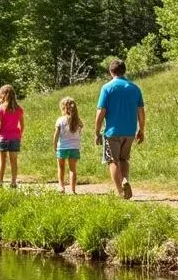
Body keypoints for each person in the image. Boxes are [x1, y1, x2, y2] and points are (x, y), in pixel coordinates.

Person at [94, 59, 145, 199]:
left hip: (112, 131)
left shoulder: (107, 88)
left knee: (112, 160)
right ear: (124, 71)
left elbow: (101, 111)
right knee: (124, 159)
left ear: (111, 71)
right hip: (129, 131)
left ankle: (121, 192)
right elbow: (141, 111)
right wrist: (141, 130)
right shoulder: (134, 88)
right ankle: (125, 179)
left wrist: (97, 131)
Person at [0, 85, 24, 188]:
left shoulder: (0, 109)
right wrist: (20, 134)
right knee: (13, 161)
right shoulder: (19, 109)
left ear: (2, 95)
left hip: (3, 138)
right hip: (15, 138)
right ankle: (13, 182)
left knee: (2, 161)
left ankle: (0, 182)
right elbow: (22, 124)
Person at [53, 96, 83, 194]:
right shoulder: (77, 121)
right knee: (72, 169)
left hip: (62, 147)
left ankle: (61, 187)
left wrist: (55, 145)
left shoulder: (60, 120)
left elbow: (56, 135)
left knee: (61, 168)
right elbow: (80, 130)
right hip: (74, 147)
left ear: (63, 108)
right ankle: (73, 190)